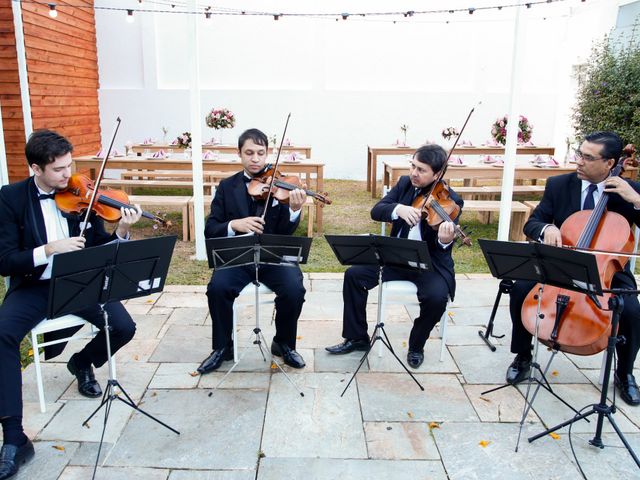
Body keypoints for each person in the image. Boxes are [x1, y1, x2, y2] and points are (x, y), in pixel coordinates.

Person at [0, 130, 142, 479]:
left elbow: (96, 244)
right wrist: (47, 250)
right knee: (2, 334)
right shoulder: (10, 198)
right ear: (36, 167)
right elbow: (4, 260)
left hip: (79, 282)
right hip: (35, 286)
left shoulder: (80, 195)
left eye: (70, 165)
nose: (69, 176)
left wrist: (120, 231)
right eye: (59, 170)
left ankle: (81, 362)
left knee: (124, 327)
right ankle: (14, 437)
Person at [506, 131, 640, 406]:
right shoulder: (559, 185)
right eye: (579, 154)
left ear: (610, 163)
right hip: (561, 264)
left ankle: (624, 373)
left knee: (632, 310)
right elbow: (533, 223)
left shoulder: (629, 192)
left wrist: (635, 199)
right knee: (520, 289)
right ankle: (522, 356)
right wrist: (547, 228)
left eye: (588, 158)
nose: (579, 161)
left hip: (608, 269)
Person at [326, 144, 463, 368]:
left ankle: (417, 344)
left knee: (437, 298)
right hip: (394, 257)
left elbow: (443, 246)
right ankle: (357, 337)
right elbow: (377, 210)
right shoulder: (404, 185)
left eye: (421, 170)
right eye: (413, 166)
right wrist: (398, 208)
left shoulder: (451, 201)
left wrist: (444, 240)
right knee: (354, 276)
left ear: (437, 174)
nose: (414, 173)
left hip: (429, 264)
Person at [198, 128, 308, 374]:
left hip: (272, 256)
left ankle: (284, 342)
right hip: (237, 257)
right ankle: (222, 347)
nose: (256, 158)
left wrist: (294, 210)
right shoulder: (227, 187)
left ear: (267, 153)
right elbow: (210, 228)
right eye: (249, 153)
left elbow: (285, 232)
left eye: (261, 153)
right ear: (239, 154)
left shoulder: (281, 186)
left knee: (294, 289)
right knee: (217, 288)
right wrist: (233, 225)